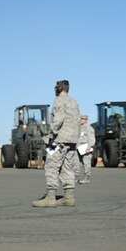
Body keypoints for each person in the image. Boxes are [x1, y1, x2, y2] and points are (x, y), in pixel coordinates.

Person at [33, 80, 81, 208]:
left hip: (59, 140)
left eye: (56, 88)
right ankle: (69, 197)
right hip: (71, 141)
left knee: (50, 165)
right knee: (67, 167)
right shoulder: (74, 101)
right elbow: (78, 122)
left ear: (59, 89)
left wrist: (50, 132)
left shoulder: (59, 100)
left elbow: (58, 119)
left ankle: (50, 197)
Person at [77, 114, 96, 184]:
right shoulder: (79, 128)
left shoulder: (89, 128)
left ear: (86, 120)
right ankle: (75, 178)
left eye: (82, 119)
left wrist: (89, 147)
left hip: (85, 148)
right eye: (80, 119)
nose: (81, 120)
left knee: (86, 163)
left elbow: (91, 139)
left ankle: (87, 178)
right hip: (78, 148)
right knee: (76, 164)